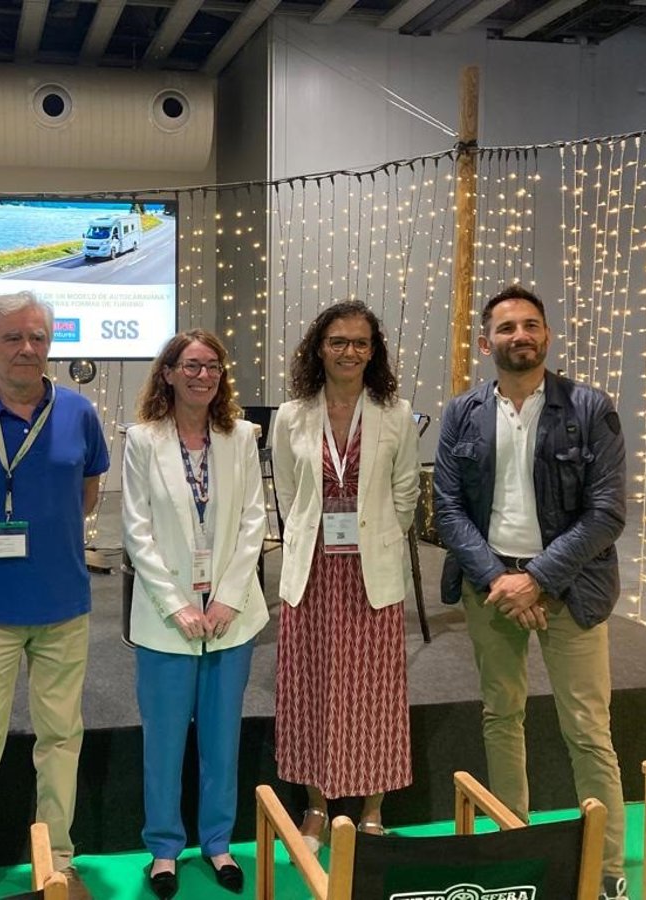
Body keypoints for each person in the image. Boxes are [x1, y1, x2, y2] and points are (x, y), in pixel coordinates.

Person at [433, 284, 628, 900]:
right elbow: (447, 508)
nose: (520, 335)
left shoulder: (590, 408)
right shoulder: (462, 413)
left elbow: (606, 512)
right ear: (485, 341)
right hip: (492, 586)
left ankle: (605, 869)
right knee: (502, 715)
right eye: (507, 327)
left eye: (531, 325)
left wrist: (538, 577)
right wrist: (499, 578)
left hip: (572, 587)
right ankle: (512, 849)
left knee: (588, 728)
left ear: (546, 334)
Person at [0, 291, 110, 900]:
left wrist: (48, 550)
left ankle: (57, 861)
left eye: (37, 337)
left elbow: (88, 492)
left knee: (61, 741)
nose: (27, 348)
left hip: (63, 608)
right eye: (13, 338)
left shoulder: (80, 414)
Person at [122, 331, 268, 899]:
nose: (202, 375)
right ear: (168, 373)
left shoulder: (241, 437)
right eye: (190, 366)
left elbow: (253, 520)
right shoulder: (143, 440)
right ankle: (163, 848)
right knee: (163, 742)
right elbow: (136, 530)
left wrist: (229, 595)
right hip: (168, 618)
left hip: (230, 616)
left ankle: (217, 841)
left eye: (211, 366)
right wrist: (177, 604)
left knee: (221, 739)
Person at [270, 301, 420, 846]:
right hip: (311, 574)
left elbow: (406, 490)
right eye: (338, 341)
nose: (349, 352)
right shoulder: (292, 416)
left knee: (375, 695)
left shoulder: (395, 413)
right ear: (319, 348)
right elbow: (288, 491)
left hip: (370, 574)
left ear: (373, 351)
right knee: (311, 691)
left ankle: (372, 810)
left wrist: (379, 535)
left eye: (360, 342)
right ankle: (316, 807)